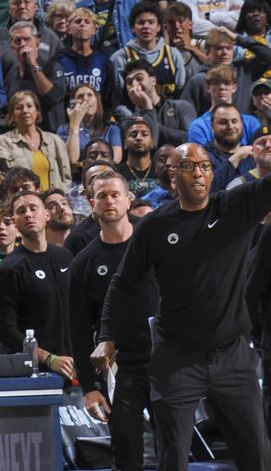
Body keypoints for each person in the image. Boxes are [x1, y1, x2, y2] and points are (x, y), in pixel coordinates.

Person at [93, 143, 271, 470]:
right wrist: (107, 336)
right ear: (173, 176)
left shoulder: (235, 206)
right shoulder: (156, 226)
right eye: (189, 167)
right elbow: (123, 282)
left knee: (257, 453)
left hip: (231, 353)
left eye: (205, 166)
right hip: (177, 357)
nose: (199, 174)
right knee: (173, 454)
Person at [69, 170, 158, 470]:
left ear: (128, 199)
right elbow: (80, 331)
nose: (109, 200)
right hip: (123, 368)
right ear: (92, 204)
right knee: (127, 452)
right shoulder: (84, 262)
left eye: (115, 194)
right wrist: (89, 387)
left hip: (167, 361)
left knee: (175, 446)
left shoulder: (155, 245)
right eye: (102, 196)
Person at [0, 190, 75, 378]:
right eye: (21, 211)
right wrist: (48, 358)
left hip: (76, 368)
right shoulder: (8, 269)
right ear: (15, 221)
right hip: (37, 374)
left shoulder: (66, 257)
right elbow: (6, 331)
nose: (28, 214)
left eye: (33, 208)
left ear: (46, 214)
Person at [0, 90, 72, 191]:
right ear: (12, 115)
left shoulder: (55, 141)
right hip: (19, 204)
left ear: (37, 111)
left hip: (52, 204)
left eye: (29, 106)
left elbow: (65, 178)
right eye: (19, 108)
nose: (25, 111)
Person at [110, 0, 186, 98]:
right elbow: (117, 97)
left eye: (151, 22)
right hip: (133, 112)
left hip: (168, 112)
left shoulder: (172, 54)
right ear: (133, 27)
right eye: (141, 23)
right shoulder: (120, 57)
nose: (146, 26)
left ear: (159, 27)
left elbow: (180, 91)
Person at [2, 21, 68, 132]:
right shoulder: (11, 75)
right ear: (12, 48)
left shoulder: (52, 67)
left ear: (37, 44)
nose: (22, 44)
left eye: (27, 39)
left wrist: (33, 65)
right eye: (17, 41)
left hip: (50, 136)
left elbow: (53, 98)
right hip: (22, 138)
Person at [53, 7, 119, 110]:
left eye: (87, 22)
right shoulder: (58, 60)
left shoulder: (103, 61)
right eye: (78, 22)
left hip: (96, 122)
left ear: (93, 30)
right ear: (69, 29)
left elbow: (109, 99)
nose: (82, 24)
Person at [122, 59, 196, 146]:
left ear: (153, 81)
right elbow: (151, 146)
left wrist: (154, 126)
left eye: (139, 78)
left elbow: (191, 140)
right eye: (129, 82)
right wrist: (147, 106)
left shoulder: (181, 107)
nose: (134, 84)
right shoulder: (129, 121)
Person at [188, 64, 261, 145]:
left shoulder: (251, 123)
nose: (222, 87)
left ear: (234, 87)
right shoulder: (199, 126)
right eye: (216, 83)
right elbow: (201, 157)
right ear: (208, 88)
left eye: (226, 83)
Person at [58, 83, 122, 167]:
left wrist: (83, 163)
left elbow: (116, 158)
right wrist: (75, 123)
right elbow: (72, 159)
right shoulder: (63, 130)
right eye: (80, 97)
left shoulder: (111, 128)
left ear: (97, 101)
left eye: (90, 95)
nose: (86, 99)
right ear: (73, 104)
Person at [203, 103, 256, 191]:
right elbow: (207, 189)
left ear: (241, 123)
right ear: (212, 126)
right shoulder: (202, 156)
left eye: (234, 121)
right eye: (223, 122)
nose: (230, 126)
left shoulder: (253, 155)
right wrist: (235, 159)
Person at [117, 116, 160, 197]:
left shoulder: (160, 170)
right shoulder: (117, 173)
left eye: (144, 134)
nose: (139, 138)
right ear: (125, 143)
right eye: (133, 135)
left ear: (152, 143)